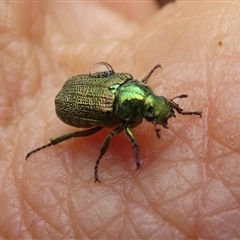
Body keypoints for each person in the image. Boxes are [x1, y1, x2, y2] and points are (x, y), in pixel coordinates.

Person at [1, 1, 239, 239]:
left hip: (97, 90)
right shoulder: (120, 116)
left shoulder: (132, 84)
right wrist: (128, 148)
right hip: (71, 107)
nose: (152, 111)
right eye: (150, 113)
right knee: (89, 134)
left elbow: (149, 96)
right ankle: (51, 143)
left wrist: (179, 110)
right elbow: (120, 131)